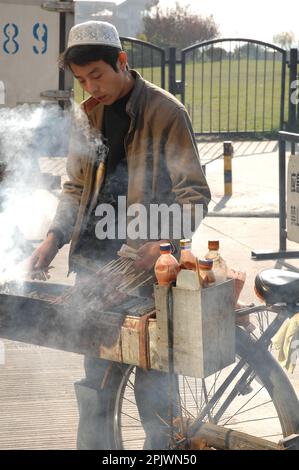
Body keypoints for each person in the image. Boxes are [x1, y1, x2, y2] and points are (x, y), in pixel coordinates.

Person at [28, 21, 211, 449]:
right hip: (95, 267)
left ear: (122, 63)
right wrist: (53, 238)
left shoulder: (166, 112)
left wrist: (163, 245)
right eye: (80, 80)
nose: (90, 87)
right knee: (97, 381)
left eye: (97, 75)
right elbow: (75, 186)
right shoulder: (87, 113)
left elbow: (195, 195)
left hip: (147, 274)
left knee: (154, 388)